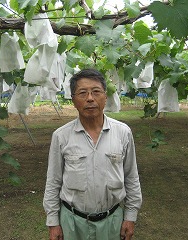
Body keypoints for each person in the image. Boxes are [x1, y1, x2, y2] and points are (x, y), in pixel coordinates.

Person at [43, 68, 142, 240]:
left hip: (112, 221)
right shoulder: (61, 136)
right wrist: (53, 222)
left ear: (105, 96)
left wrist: (130, 216)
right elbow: (53, 181)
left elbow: (131, 177)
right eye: (82, 93)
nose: (90, 98)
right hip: (72, 223)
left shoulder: (122, 133)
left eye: (96, 92)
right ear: (73, 100)